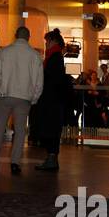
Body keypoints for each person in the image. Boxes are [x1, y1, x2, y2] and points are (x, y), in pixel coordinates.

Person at [0, 26, 43, 175]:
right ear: (29, 37)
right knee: (20, 131)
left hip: (4, 96)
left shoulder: (4, 52)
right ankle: (15, 163)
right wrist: (33, 98)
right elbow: (39, 82)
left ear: (15, 35)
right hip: (24, 98)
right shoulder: (35, 56)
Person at [33, 29, 70, 172]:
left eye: (47, 41)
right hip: (54, 101)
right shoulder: (56, 56)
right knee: (52, 129)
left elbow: (50, 79)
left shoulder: (53, 57)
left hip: (50, 101)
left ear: (53, 41)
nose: (46, 44)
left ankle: (51, 159)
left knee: (50, 129)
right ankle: (51, 159)